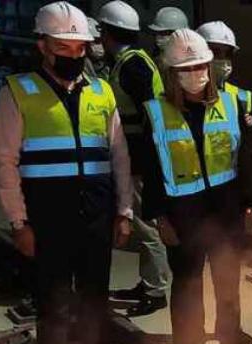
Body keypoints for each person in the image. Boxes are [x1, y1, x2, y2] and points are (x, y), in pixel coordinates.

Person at [0, 1, 132, 344]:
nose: (74, 56)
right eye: (63, 48)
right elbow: (4, 162)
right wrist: (18, 223)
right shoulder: (18, 93)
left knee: (93, 301)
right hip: (47, 219)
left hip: (96, 217)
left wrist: (124, 210)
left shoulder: (102, 93)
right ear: (42, 47)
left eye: (79, 48)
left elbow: (118, 155)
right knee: (53, 303)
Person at [140, 29, 252, 344]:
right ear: (172, 73)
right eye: (186, 69)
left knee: (228, 293)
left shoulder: (234, 102)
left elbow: (248, 159)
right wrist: (159, 216)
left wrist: (251, 204)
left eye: (201, 66)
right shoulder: (156, 112)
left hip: (225, 214)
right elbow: (151, 169)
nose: (196, 73)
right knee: (187, 289)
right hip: (183, 215)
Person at [97, 0, 172, 316]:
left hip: (138, 158)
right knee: (143, 223)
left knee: (145, 226)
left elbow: (148, 114)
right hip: (135, 155)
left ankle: (156, 291)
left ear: (108, 33)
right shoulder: (132, 61)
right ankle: (148, 282)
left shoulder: (132, 67)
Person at [196, 21, 252, 120]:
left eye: (228, 53)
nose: (222, 59)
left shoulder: (241, 97)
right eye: (215, 51)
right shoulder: (178, 98)